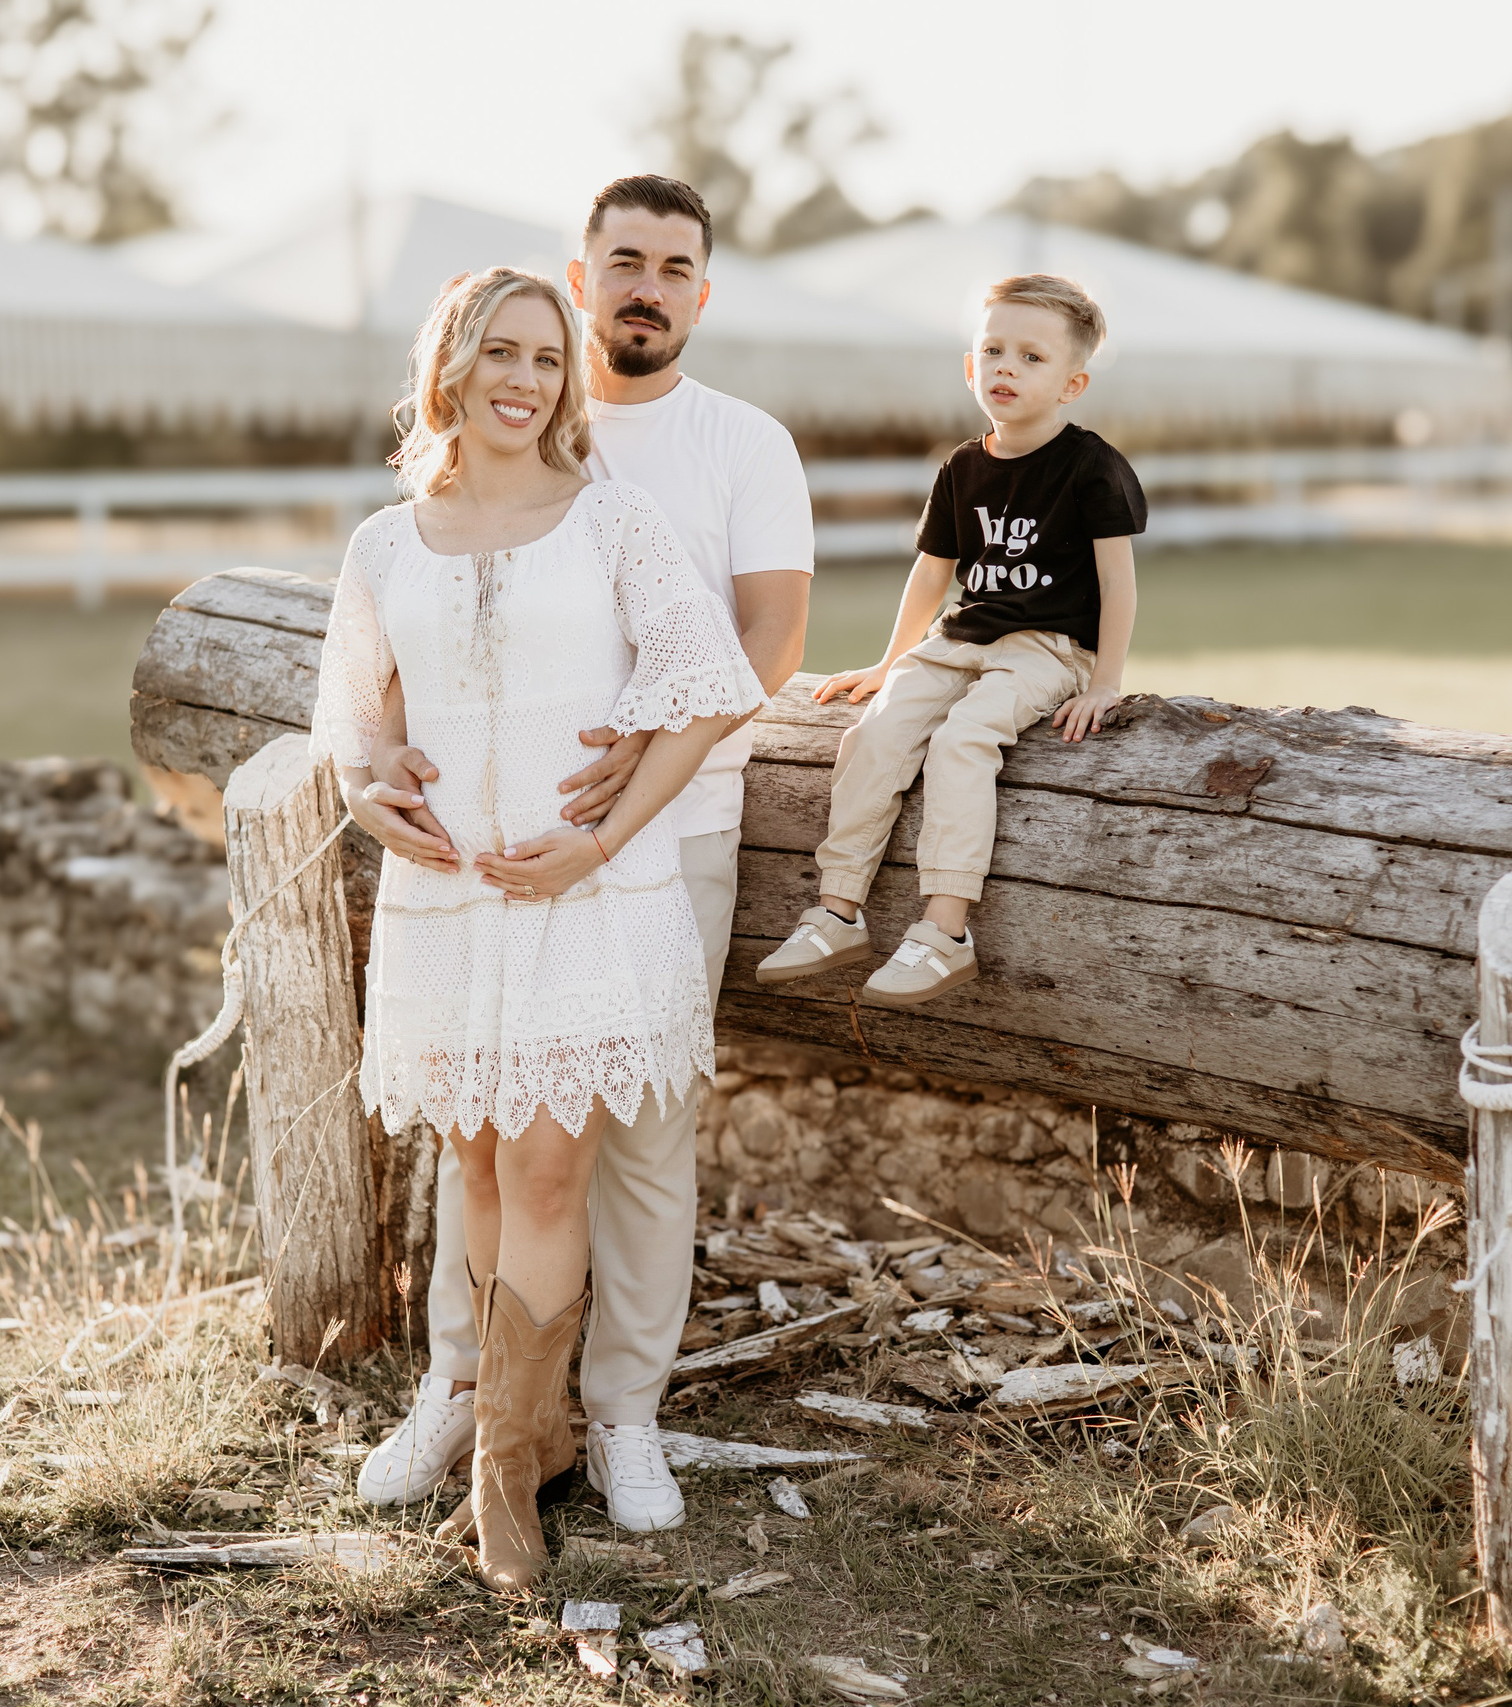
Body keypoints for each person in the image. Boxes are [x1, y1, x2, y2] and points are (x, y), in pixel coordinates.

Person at [346, 177, 814, 1533]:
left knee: (639, 1146)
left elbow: (758, 647)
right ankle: (476, 1396)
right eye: (625, 261)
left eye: (674, 266)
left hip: (672, 832)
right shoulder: (441, 497)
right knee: (485, 1149)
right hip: (473, 875)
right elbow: (376, 684)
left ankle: (620, 1416)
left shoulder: (735, 445)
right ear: (581, 274)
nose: (646, 286)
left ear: (701, 292)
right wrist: (373, 773)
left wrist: (623, 786)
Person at [756, 274, 1143, 1005]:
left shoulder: (1092, 466)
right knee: (875, 733)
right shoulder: (962, 467)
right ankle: (838, 910)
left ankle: (944, 931)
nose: (1006, 367)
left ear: (1072, 383)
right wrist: (890, 661)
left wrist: (1104, 682)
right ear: (970, 366)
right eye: (993, 350)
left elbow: (1118, 584)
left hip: (1048, 646)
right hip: (959, 638)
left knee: (962, 741)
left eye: (1032, 357)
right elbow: (932, 573)